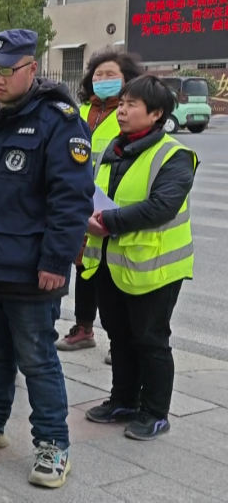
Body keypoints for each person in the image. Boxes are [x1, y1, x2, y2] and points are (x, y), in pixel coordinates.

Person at [0, 29, 94, 488]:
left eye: (7, 70)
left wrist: (56, 261)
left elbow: (71, 200)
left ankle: (52, 444)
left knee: (38, 358)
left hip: (30, 270)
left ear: (32, 68)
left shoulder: (57, 121)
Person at [81, 75, 196, 441]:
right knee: (119, 335)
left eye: (132, 105)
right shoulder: (114, 149)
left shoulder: (174, 155)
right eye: (122, 104)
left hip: (155, 268)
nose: (122, 111)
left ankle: (155, 412)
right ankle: (123, 400)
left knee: (150, 340)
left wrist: (107, 223)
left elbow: (161, 207)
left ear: (156, 113)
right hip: (112, 263)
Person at [58, 51, 143, 354]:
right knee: (84, 264)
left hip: (114, 203)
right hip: (80, 201)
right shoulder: (78, 112)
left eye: (110, 75)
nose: (103, 80)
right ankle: (83, 327)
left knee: (114, 270)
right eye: (98, 75)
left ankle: (121, 339)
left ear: (127, 80)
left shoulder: (129, 115)